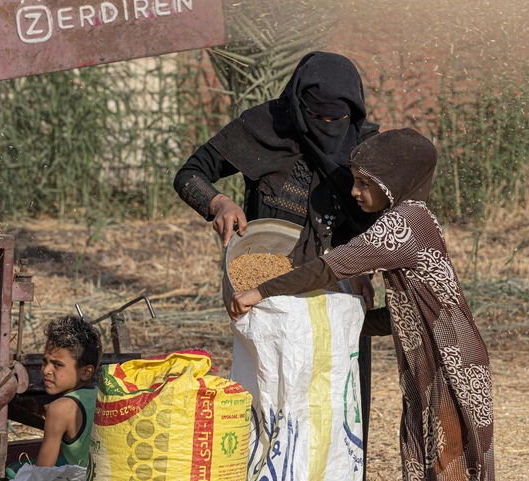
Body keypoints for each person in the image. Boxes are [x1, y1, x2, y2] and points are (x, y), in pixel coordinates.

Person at [227, 128, 495, 481]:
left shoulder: (403, 225)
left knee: (449, 462)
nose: (355, 192)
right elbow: (406, 315)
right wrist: (338, 323)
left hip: (448, 359)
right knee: (435, 457)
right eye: (355, 181)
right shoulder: (419, 216)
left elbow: (329, 268)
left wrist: (260, 292)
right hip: (439, 354)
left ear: (393, 182)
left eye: (365, 184)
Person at [173, 51, 381, 473]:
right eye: (316, 117)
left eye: (336, 120)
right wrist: (219, 201)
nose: (327, 128)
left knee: (338, 411)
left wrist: (363, 269)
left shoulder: (364, 147)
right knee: (273, 402)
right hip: (267, 296)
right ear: (298, 106)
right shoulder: (264, 128)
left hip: (337, 296)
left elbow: (377, 223)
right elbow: (189, 174)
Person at [7, 316, 102, 477]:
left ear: (86, 372)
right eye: (45, 362)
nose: (46, 370)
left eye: (57, 364)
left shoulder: (59, 409)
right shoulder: (98, 394)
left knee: (13, 470)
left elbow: (42, 472)